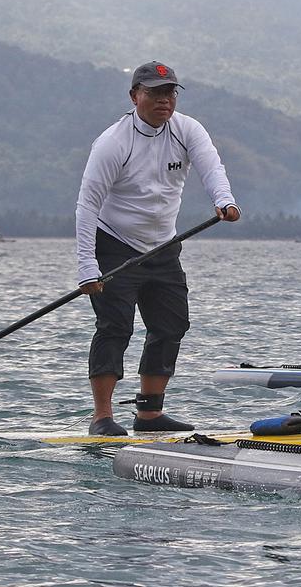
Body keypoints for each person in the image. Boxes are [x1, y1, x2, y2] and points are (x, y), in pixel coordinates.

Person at [75, 61, 240, 436]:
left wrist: (225, 200)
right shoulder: (113, 142)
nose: (164, 100)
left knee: (171, 324)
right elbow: (87, 205)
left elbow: (212, 168)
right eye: (154, 93)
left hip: (163, 245)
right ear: (135, 96)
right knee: (115, 326)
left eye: (170, 93)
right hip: (114, 245)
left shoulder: (188, 130)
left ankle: (149, 414)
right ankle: (101, 417)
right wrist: (87, 266)